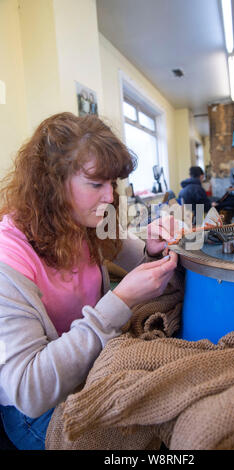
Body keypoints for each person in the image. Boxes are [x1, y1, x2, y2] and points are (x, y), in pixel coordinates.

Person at [0, 112, 178, 450]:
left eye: (112, 183)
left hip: (91, 374)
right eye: (96, 184)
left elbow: (142, 258)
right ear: (50, 185)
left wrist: (155, 251)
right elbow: (28, 391)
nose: (110, 196)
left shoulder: (89, 224)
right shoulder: (8, 258)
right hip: (35, 414)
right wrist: (119, 302)